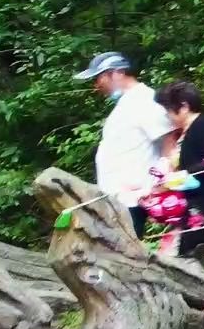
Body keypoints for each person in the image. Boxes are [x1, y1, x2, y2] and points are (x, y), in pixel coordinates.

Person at [74, 52, 175, 230]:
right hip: (117, 199)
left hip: (134, 199)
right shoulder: (126, 103)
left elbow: (170, 139)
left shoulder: (144, 100)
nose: (96, 85)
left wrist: (162, 184)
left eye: (98, 78)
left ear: (117, 73)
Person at [156, 82, 204, 262]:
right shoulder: (186, 131)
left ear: (184, 106)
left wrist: (181, 175)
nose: (168, 116)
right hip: (197, 204)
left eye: (169, 110)